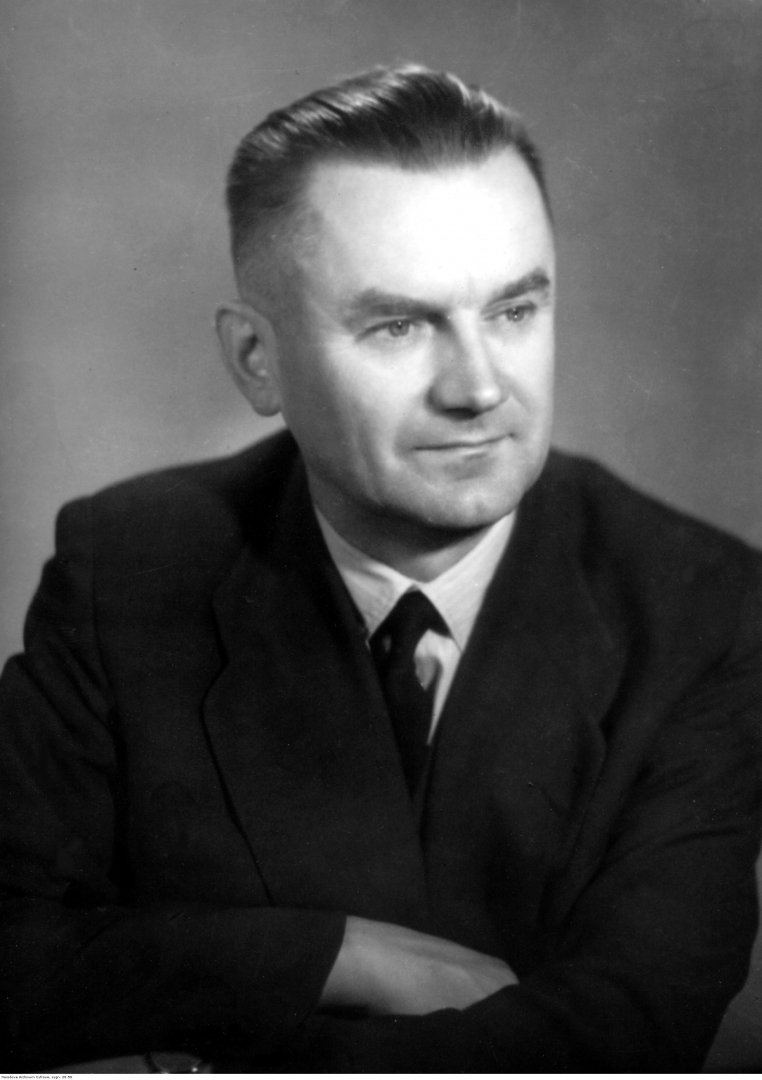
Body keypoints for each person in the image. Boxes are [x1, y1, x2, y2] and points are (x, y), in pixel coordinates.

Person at [0, 64, 761, 1073]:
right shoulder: (130, 564)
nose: (479, 388)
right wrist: (340, 955)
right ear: (257, 362)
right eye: (399, 326)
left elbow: (622, 1039)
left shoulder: (703, 606)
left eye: (514, 311)